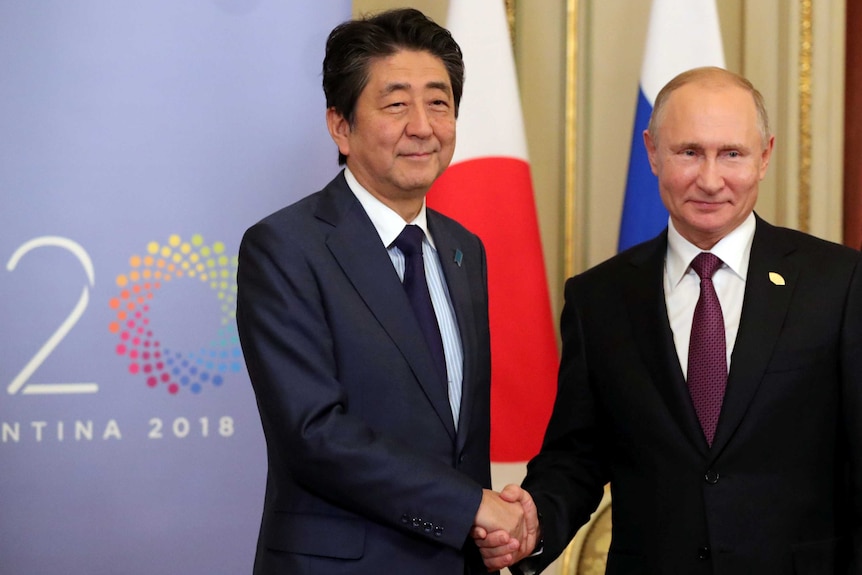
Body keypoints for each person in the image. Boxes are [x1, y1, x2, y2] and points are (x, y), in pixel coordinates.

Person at [475, 66, 862, 574]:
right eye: (688, 152)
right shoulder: (600, 298)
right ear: (652, 152)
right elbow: (577, 455)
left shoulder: (839, 283)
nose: (709, 179)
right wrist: (534, 521)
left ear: (764, 156)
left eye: (732, 154)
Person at [236, 8, 535, 575]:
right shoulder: (284, 247)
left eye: (439, 102)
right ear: (340, 126)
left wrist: (488, 520)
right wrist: (469, 505)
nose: (422, 126)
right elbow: (314, 432)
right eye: (396, 104)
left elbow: (456, 434)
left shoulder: (462, 248)